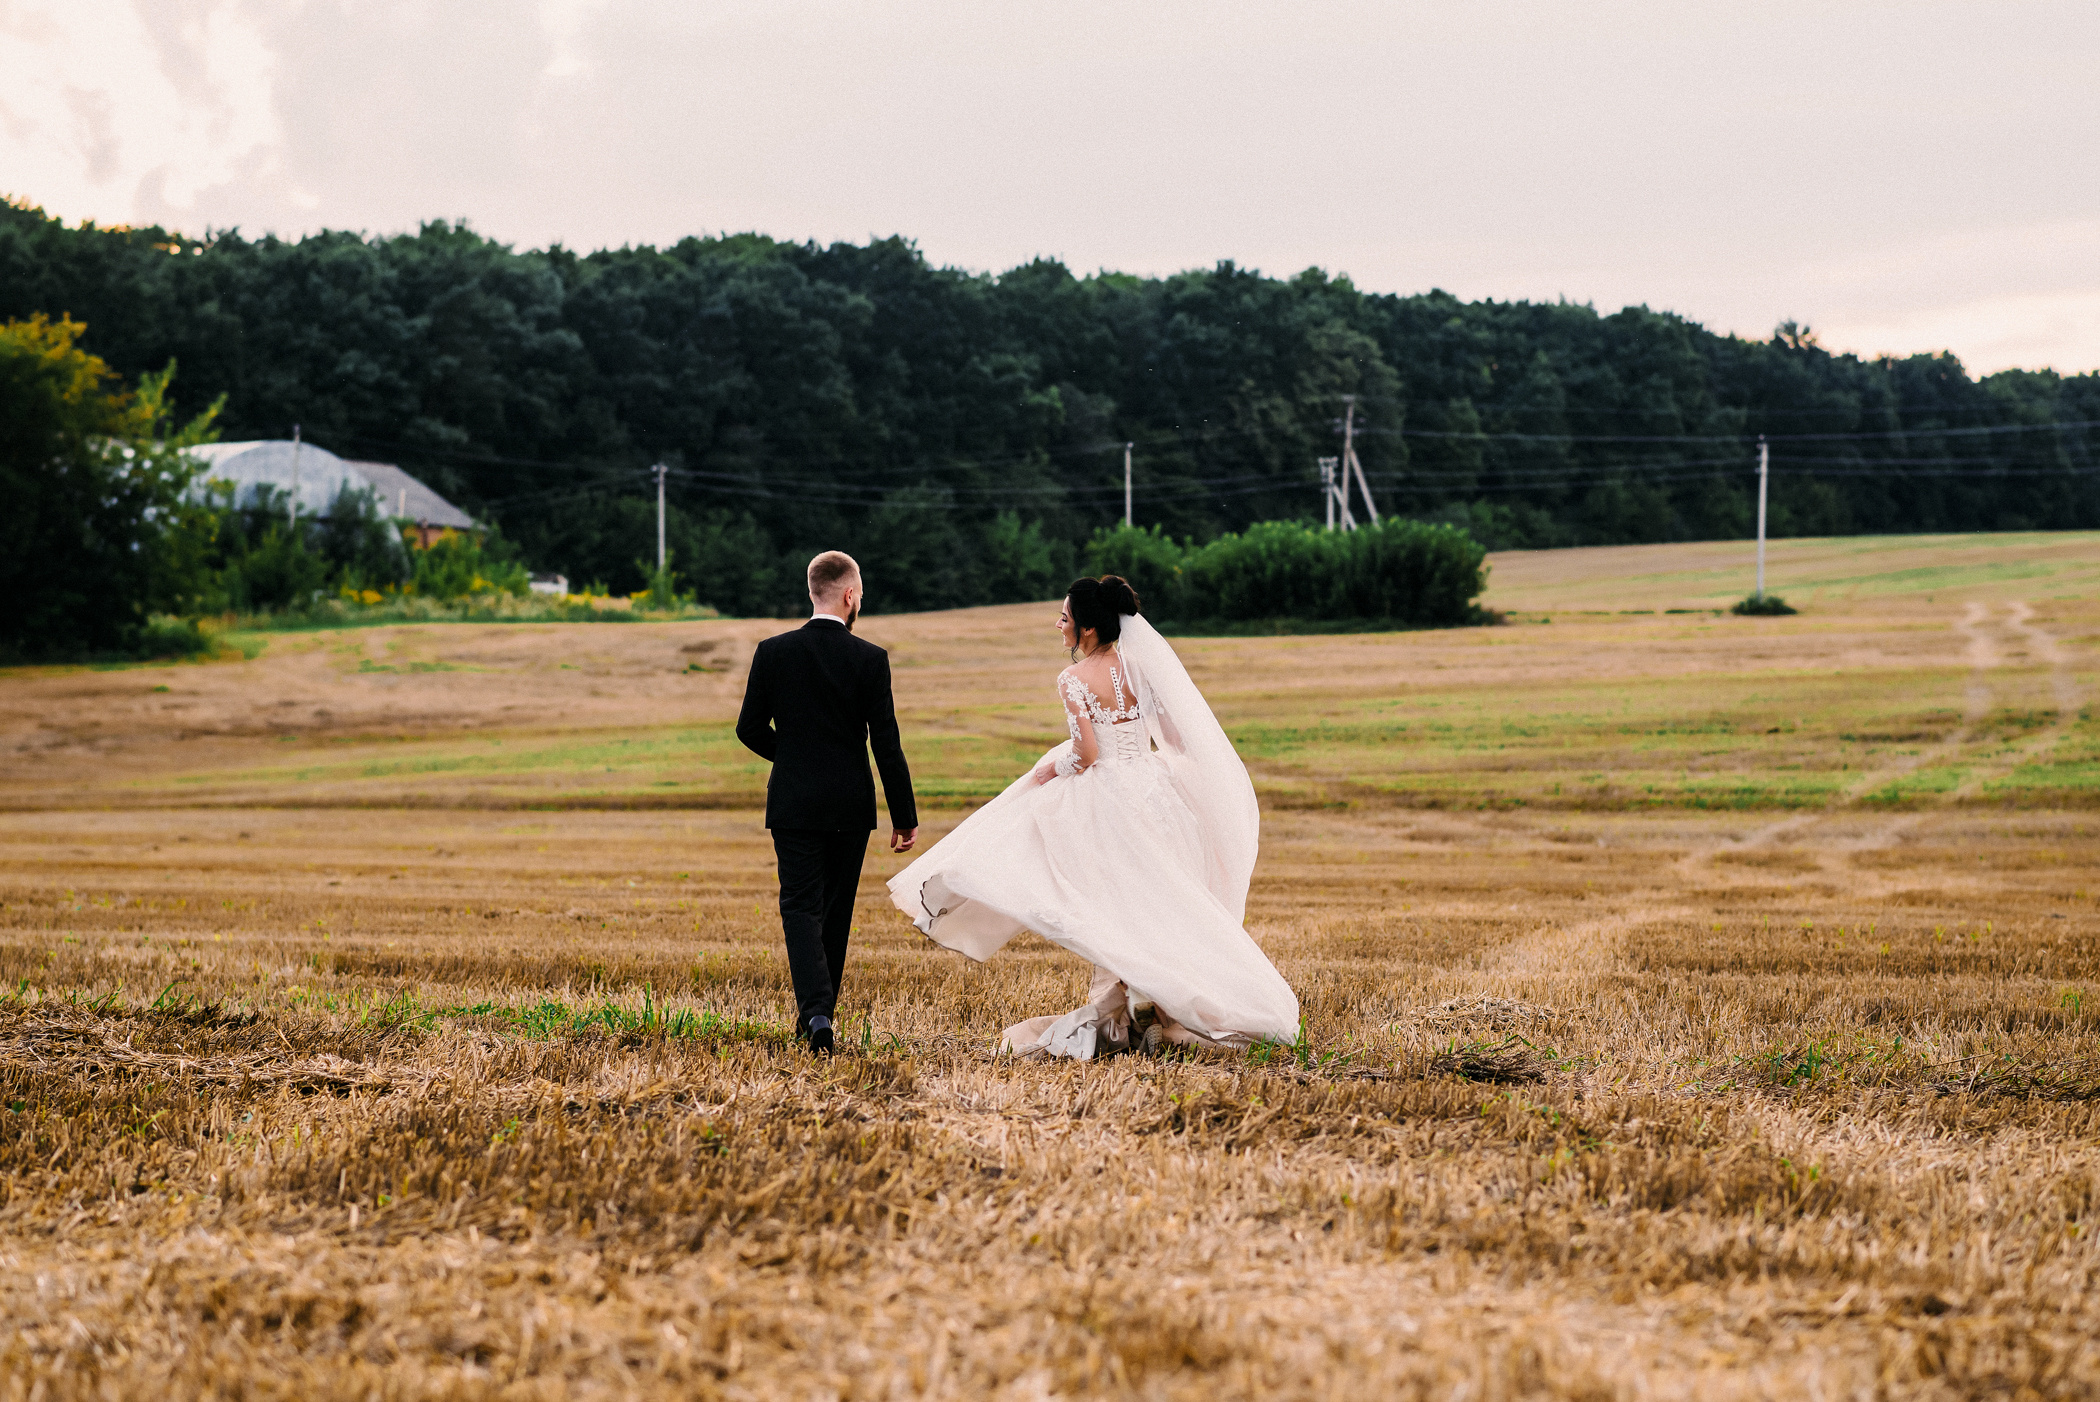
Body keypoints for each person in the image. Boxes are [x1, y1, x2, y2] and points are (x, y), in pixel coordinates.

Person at [887, 575, 1298, 1059]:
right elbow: (1174, 737)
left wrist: (1048, 771)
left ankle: (1128, 1006)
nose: (1057, 625)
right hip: (1154, 793)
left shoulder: (1074, 679)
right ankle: (1154, 1003)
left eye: (1064, 617)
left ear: (1085, 629)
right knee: (1160, 902)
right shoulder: (1141, 667)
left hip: (1108, 800)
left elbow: (1084, 753)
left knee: (1108, 903)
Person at [736, 551, 917, 1055]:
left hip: (793, 801)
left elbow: (747, 729)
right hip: (849, 803)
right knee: (835, 912)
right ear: (849, 595)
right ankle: (820, 1014)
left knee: (799, 906)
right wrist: (905, 816)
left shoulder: (772, 652)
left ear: (812, 592)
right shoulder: (869, 659)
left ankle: (815, 1014)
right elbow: (886, 742)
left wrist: (791, 758)